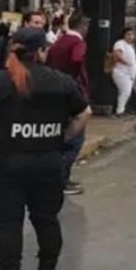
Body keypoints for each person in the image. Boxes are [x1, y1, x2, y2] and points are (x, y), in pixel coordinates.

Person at [0, 27, 90, 270]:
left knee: (10, 223)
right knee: (46, 219)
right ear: (42, 52)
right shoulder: (60, 81)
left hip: (7, 164)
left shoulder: (2, 80)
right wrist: (62, 138)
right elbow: (84, 112)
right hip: (48, 161)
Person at [46, 13, 90, 195]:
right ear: (83, 26)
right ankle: (61, 180)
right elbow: (77, 59)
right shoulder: (78, 42)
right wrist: (75, 81)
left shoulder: (60, 41)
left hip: (55, 92)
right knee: (75, 138)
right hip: (71, 95)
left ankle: (58, 177)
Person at [0, 9, 45, 79]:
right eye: (36, 23)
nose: (40, 26)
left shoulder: (43, 44)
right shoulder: (9, 42)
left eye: (42, 24)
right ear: (26, 23)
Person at [112, 27, 136, 117]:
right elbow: (117, 54)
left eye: (132, 34)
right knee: (125, 92)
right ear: (124, 35)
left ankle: (121, 109)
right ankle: (119, 111)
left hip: (129, 74)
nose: (130, 37)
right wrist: (127, 63)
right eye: (128, 34)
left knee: (124, 92)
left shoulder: (130, 46)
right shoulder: (120, 43)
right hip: (121, 73)